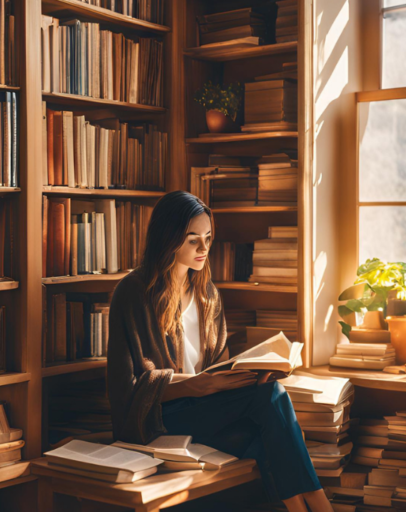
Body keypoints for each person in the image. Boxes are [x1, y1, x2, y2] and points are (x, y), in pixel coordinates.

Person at [107, 191, 333, 512]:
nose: (204, 249)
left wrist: (245, 376)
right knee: (271, 404)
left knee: (262, 433)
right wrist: (194, 385)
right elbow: (123, 390)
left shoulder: (207, 294)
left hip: (206, 412)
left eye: (208, 238)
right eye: (192, 240)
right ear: (168, 238)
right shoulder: (133, 293)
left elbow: (219, 368)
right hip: (161, 419)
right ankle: (322, 506)